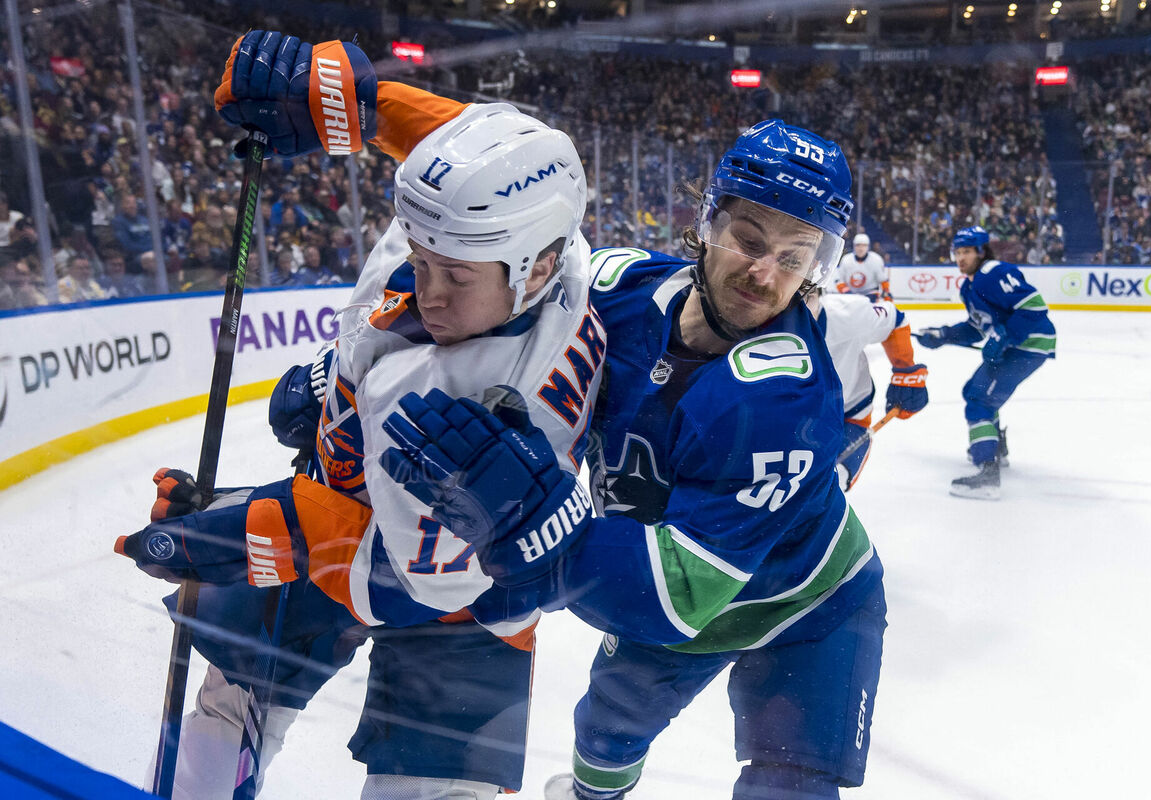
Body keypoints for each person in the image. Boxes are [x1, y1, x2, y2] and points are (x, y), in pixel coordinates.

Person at [115, 32, 598, 800]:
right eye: (420, 257)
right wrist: (344, 95)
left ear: (537, 266)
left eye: (454, 275)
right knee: (221, 707)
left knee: (428, 788)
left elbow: (407, 581)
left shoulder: (497, 395)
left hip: (459, 590)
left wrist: (252, 530)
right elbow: (462, 143)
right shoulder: (522, 239)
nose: (428, 290)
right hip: (352, 508)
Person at [385, 121, 887, 799]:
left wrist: (544, 534)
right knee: (604, 732)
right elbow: (496, 288)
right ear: (709, 221)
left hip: (810, 601)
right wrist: (361, 367)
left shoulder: (783, 399)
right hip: (672, 562)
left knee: (790, 786)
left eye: (795, 258)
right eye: (749, 240)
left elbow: (675, 599)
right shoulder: (615, 286)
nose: (766, 275)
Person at [915, 225, 1056, 500]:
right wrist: (943, 335)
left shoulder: (994, 273)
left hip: (1028, 344)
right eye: (957, 253)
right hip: (1016, 346)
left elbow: (1034, 306)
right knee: (975, 392)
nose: (960, 258)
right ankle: (995, 449)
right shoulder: (969, 287)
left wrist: (1005, 337)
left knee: (980, 398)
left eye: (966, 252)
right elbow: (978, 328)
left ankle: (988, 474)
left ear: (981, 251)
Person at [820, 290, 928, 491]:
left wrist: (905, 371)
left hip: (850, 410)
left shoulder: (847, 314)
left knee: (828, 490)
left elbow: (894, 318)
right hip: (779, 423)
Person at [834, 232, 889, 300]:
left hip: (871, 294)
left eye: (864, 245)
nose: (861, 248)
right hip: (850, 295)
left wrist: (886, 293)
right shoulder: (846, 260)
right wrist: (847, 292)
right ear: (854, 246)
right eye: (858, 245)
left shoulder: (876, 259)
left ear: (868, 246)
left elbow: (883, 280)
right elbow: (839, 281)